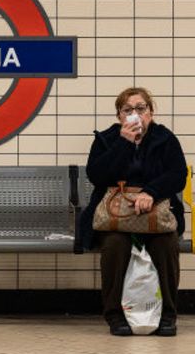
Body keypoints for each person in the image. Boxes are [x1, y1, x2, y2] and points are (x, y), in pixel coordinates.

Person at [78, 87, 188, 337]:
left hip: (154, 212)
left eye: (141, 108)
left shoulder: (165, 138)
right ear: (119, 116)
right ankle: (115, 315)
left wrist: (151, 192)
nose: (135, 114)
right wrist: (124, 144)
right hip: (115, 216)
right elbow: (97, 175)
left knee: (166, 245)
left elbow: (178, 174)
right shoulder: (106, 139)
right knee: (115, 245)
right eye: (128, 110)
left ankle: (168, 315)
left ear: (151, 112)